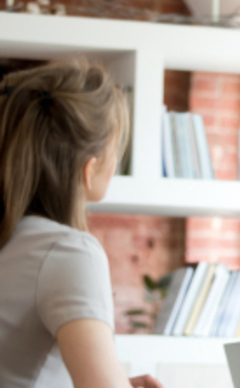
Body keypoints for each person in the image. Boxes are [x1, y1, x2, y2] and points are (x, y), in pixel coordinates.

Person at [0, 62, 162, 388]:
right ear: (88, 170)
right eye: (115, 149)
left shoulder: (15, 242)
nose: (116, 161)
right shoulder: (69, 252)